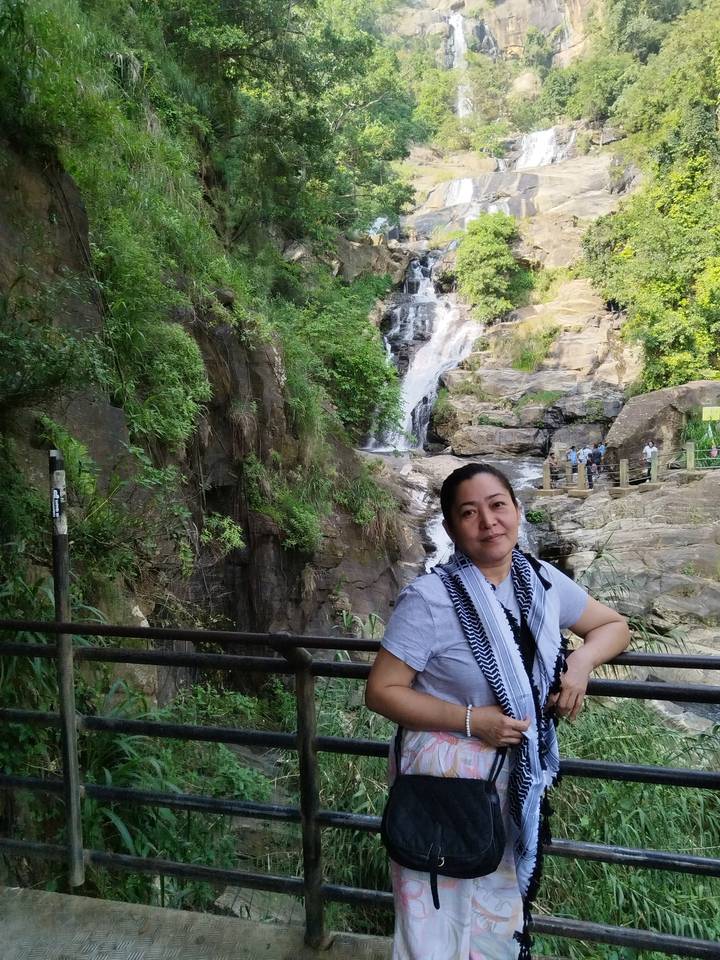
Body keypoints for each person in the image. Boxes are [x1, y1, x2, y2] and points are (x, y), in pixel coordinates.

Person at [366, 463, 630, 960]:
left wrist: (580, 663)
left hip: (514, 788)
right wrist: (472, 721)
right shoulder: (429, 599)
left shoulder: (542, 582)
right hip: (442, 792)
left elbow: (614, 626)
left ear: (517, 510)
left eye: (497, 505)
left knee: (498, 921)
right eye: (469, 512)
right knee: (437, 922)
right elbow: (381, 691)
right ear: (450, 528)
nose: (488, 521)